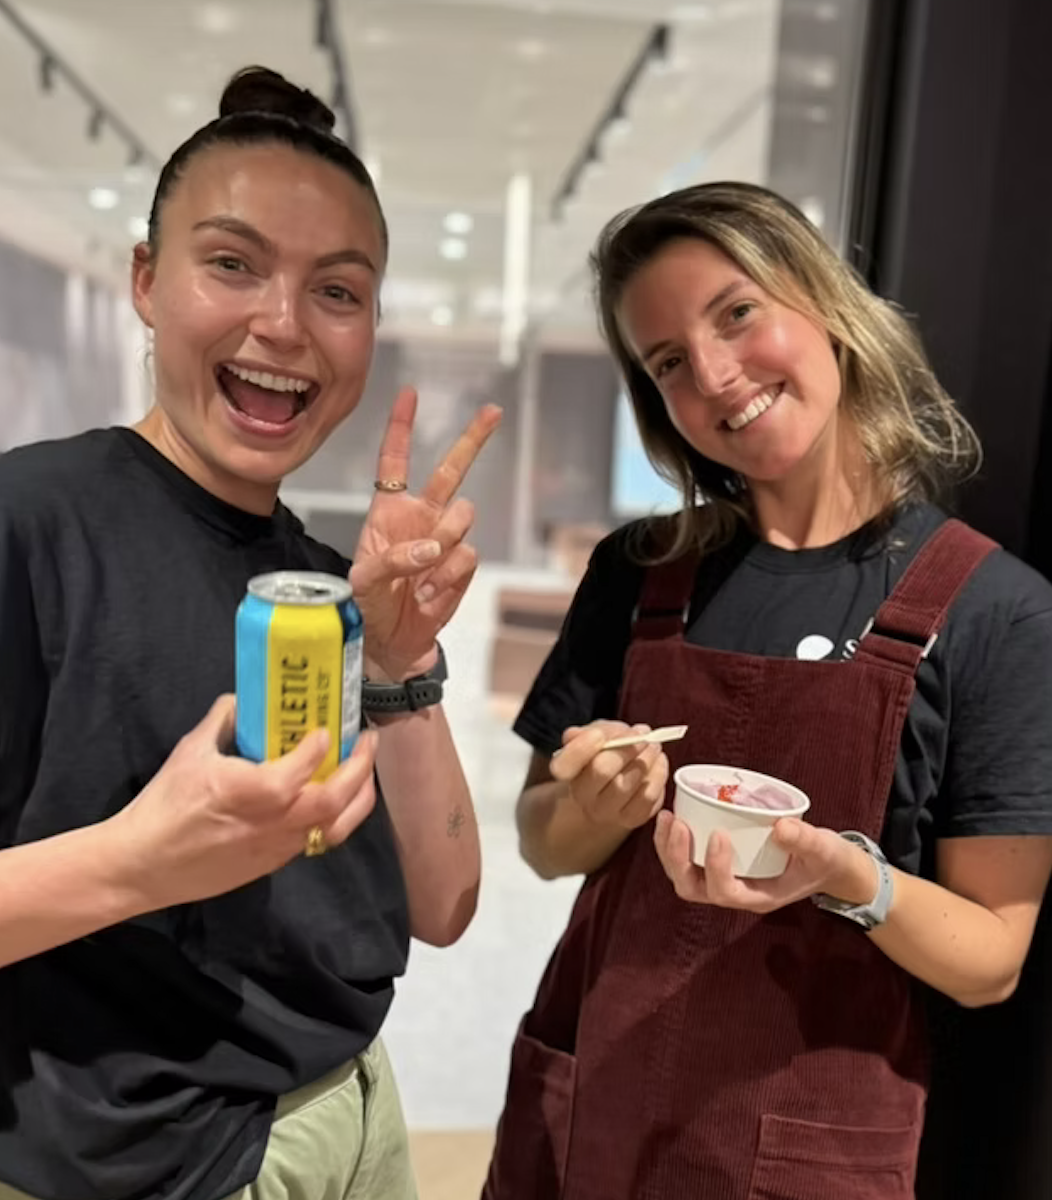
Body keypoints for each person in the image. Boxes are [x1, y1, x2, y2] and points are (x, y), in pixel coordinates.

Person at [483, 181, 1052, 1200]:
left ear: (821, 301)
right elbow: (540, 843)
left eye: (735, 313)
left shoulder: (991, 609)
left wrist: (844, 877)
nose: (712, 375)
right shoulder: (638, 572)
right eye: (665, 362)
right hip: (593, 1109)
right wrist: (589, 804)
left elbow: (991, 956)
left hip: (811, 1141)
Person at [0, 66, 501, 1200]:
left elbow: (444, 903)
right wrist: (136, 861)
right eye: (231, 264)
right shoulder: (31, 521)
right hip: (148, 1169)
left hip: (356, 1114)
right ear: (145, 279)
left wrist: (400, 655)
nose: (283, 325)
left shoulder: (321, 586)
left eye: (337, 289)